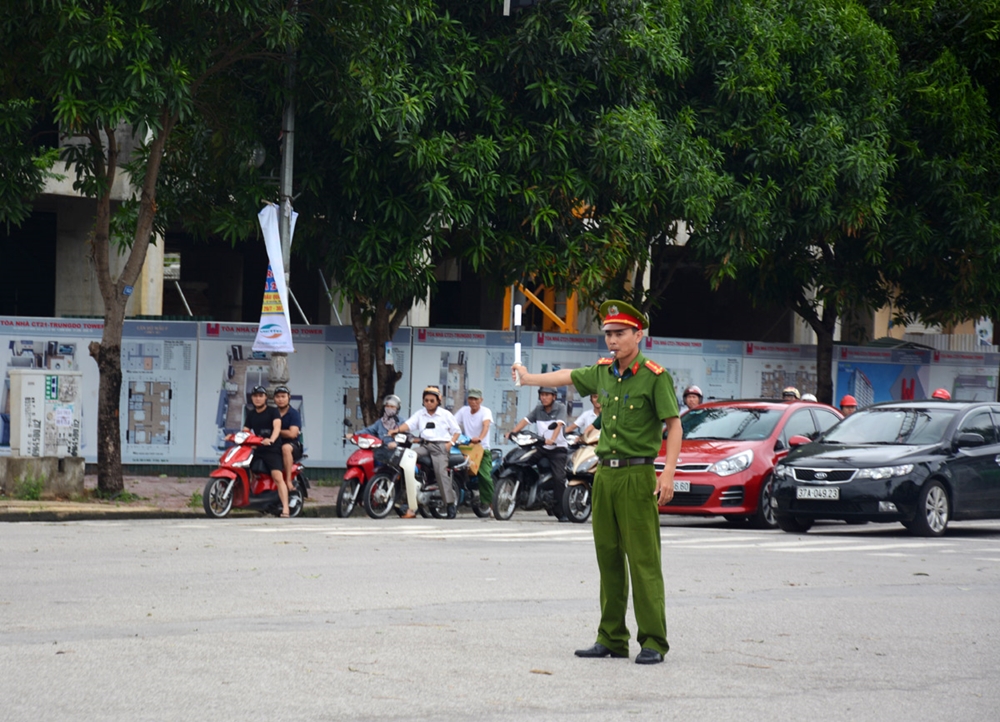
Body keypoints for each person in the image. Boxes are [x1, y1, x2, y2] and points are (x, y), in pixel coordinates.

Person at [511, 299, 681, 665]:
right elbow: (569, 376)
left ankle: (653, 640)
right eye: (608, 334)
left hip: (637, 475)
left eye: (620, 333)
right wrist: (528, 378)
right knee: (608, 558)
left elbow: (674, 425)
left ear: (638, 334)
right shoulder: (604, 372)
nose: (613, 340)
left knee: (643, 561)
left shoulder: (654, 376)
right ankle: (612, 638)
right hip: (604, 474)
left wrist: (667, 472)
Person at [506, 386, 570, 521]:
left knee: (559, 478)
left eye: (547, 395)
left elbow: (559, 425)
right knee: (522, 462)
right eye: (542, 395)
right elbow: (525, 420)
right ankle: (527, 492)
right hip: (542, 447)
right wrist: (512, 432)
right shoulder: (538, 409)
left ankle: (562, 511)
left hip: (558, 449)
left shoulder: (560, 408)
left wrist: (552, 439)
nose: (544, 397)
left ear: (554, 397)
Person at [398, 385, 462, 518]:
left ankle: (450, 505)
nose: (428, 403)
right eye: (426, 400)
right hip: (425, 446)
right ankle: (408, 499)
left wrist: (450, 444)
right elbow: (409, 424)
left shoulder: (445, 414)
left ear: (438, 401)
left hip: (440, 447)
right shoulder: (420, 414)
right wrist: (396, 430)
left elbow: (456, 431)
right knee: (407, 457)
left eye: (432, 400)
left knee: (440, 472)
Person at [241, 385, 291, 517]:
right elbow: (245, 430)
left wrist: (271, 439)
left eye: (260, 396)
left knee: (277, 476)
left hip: (272, 449)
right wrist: (238, 437)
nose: (257, 399)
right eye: (255, 396)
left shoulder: (273, 411)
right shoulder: (251, 414)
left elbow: (277, 427)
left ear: (265, 398)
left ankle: (286, 507)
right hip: (257, 448)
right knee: (245, 468)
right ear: (251, 398)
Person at [453, 389, 494, 513]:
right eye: (471, 398)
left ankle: (491, 504)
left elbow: (486, 425)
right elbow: (452, 424)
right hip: (465, 447)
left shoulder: (485, 412)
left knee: (485, 476)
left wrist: (480, 438)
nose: (473, 401)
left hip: (481, 449)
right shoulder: (464, 411)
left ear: (481, 400)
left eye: (476, 399)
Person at [273, 386, 303, 493]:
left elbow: (292, 434)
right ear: (274, 399)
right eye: (278, 397)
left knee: (285, 448)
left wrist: (276, 431)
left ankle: (288, 481)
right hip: (274, 443)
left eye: (283, 396)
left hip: (292, 445)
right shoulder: (271, 413)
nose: (280, 399)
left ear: (288, 397)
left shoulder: (294, 414)